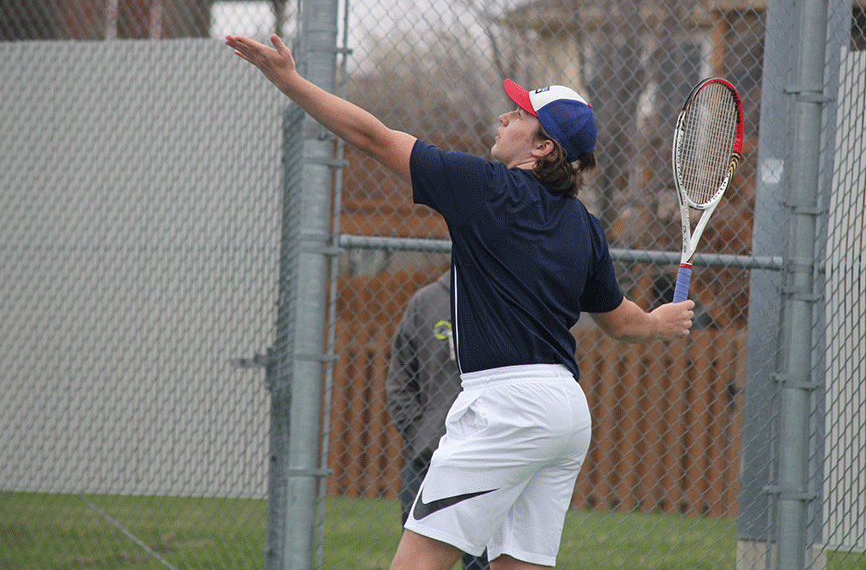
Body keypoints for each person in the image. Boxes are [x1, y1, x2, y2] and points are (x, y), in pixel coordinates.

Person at [225, 33, 694, 570]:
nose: (503, 117)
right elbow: (621, 323)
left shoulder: (484, 187)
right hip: (565, 412)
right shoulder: (584, 226)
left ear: (543, 148)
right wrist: (658, 323)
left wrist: (288, 80)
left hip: (506, 407)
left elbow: (372, 136)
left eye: (519, 114)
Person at [387, 271, 490, 570]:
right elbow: (400, 382)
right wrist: (423, 435)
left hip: (492, 462)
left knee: (485, 563)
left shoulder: (507, 299)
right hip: (428, 463)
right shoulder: (427, 302)